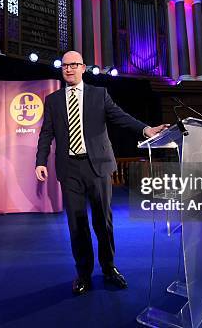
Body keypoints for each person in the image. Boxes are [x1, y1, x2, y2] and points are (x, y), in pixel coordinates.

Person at [35, 51, 168, 295]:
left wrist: (146, 129)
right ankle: (83, 274)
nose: (69, 69)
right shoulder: (53, 100)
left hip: (98, 166)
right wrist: (40, 161)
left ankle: (109, 269)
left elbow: (121, 117)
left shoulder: (99, 94)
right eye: (64, 65)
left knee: (103, 223)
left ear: (83, 67)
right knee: (77, 225)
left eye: (74, 64)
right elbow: (46, 133)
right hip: (70, 169)